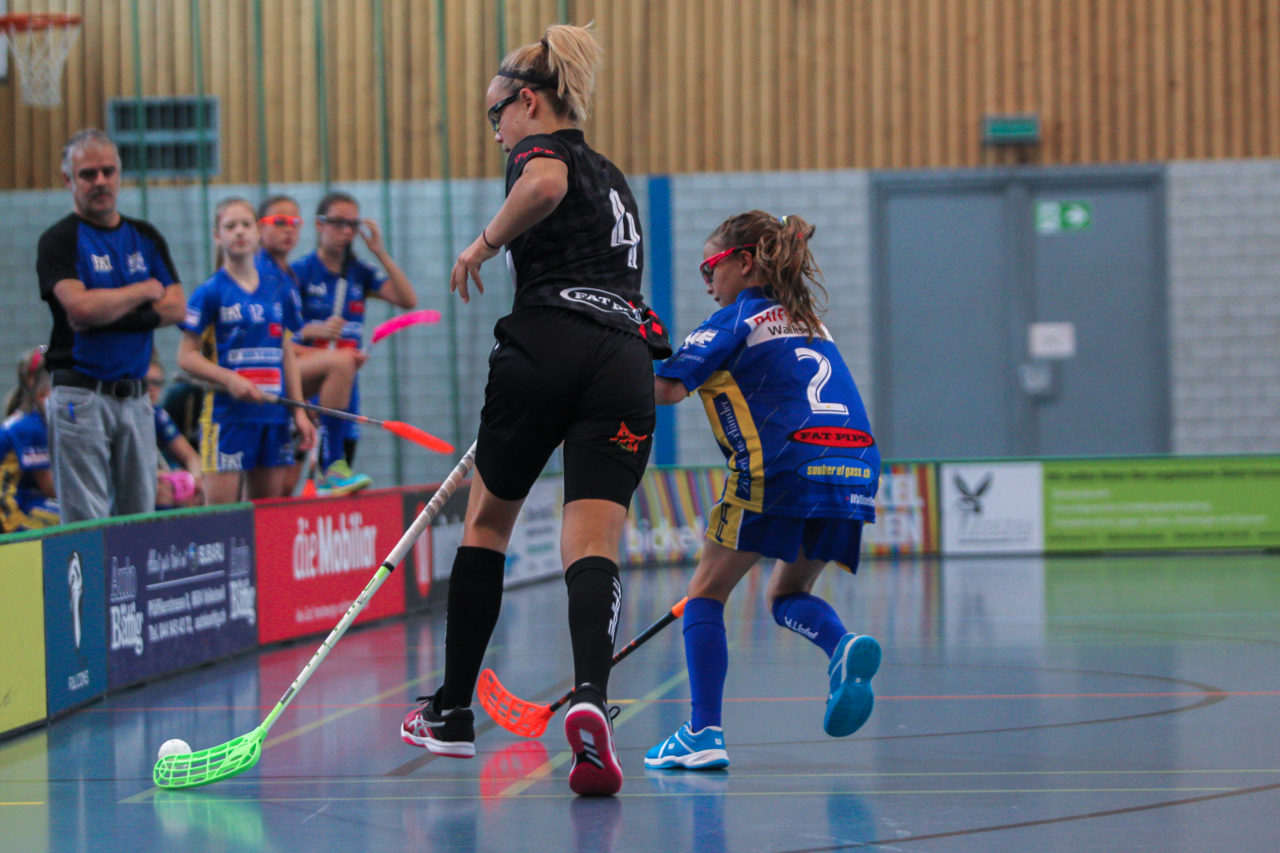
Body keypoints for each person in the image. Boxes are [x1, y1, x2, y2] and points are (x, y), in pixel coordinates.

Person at [398, 23, 671, 799]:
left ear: (528, 101)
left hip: (547, 338)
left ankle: (451, 711)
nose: (496, 133)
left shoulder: (538, 155)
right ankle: (590, 696)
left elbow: (542, 186)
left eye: (496, 116)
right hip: (623, 359)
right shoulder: (615, 180)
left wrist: (480, 246)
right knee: (594, 541)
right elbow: (633, 302)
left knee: (488, 524)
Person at [643, 212, 882, 771]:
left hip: (782, 465)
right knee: (784, 595)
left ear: (743, 262)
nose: (707, 282)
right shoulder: (811, 322)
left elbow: (667, 389)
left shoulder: (736, 318)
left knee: (705, 594)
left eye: (710, 267)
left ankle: (703, 731)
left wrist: (599, 361)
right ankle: (840, 646)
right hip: (855, 466)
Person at [36, 128, 186, 522]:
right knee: (87, 519)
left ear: (119, 175)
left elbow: (176, 308)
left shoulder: (145, 236)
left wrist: (112, 309)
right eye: (88, 174)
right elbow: (81, 309)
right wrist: (143, 289)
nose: (100, 181)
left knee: (138, 515)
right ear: (69, 180)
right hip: (80, 394)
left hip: (136, 397)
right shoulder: (59, 241)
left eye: (108, 171)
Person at [177, 197, 316, 503]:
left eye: (246, 225)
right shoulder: (210, 291)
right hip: (228, 418)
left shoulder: (280, 287)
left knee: (267, 520)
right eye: (230, 226)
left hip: (273, 418)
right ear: (217, 236)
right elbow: (185, 356)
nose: (239, 232)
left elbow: (287, 353)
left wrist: (299, 411)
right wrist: (230, 379)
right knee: (222, 523)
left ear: (257, 233)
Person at [291, 191, 415, 494]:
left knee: (344, 460)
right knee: (305, 462)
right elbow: (284, 332)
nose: (347, 232)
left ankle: (332, 475)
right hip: (308, 377)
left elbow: (407, 300)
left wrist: (380, 253)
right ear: (320, 225)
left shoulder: (359, 272)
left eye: (353, 225)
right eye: (338, 223)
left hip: (346, 376)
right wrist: (315, 330)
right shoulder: (301, 271)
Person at [0, 347, 59, 532]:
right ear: (42, 393)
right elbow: (49, 487)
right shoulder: (32, 426)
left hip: (24, 497)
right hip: (9, 510)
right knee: (74, 520)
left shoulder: (35, 419)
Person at [146, 355, 203, 509]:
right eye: (144, 382)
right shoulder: (123, 414)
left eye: (157, 382)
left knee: (196, 491)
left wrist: (193, 480)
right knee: (163, 489)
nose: (151, 387)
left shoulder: (157, 413)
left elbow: (192, 457)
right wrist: (166, 477)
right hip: (132, 483)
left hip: (163, 475)